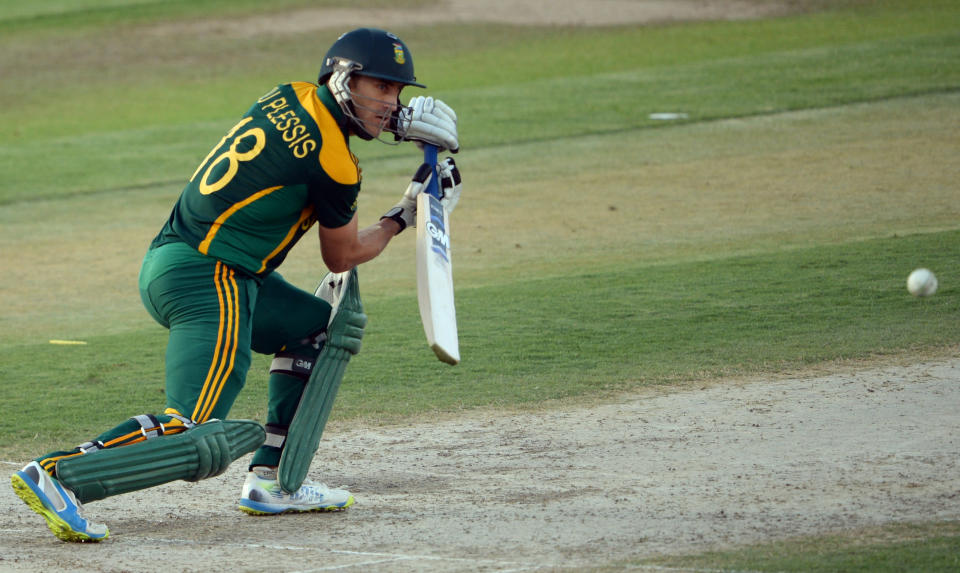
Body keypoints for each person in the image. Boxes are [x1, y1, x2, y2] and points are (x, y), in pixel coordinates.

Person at [10, 27, 462, 543]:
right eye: (381, 89)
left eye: (397, 93)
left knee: (319, 330)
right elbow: (342, 256)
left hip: (180, 261)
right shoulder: (336, 165)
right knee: (195, 428)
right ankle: (57, 474)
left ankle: (273, 481)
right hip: (210, 278)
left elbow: (312, 142)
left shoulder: (288, 93)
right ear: (343, 80)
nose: (391, 103)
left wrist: (401, 126)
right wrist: (404, 213)